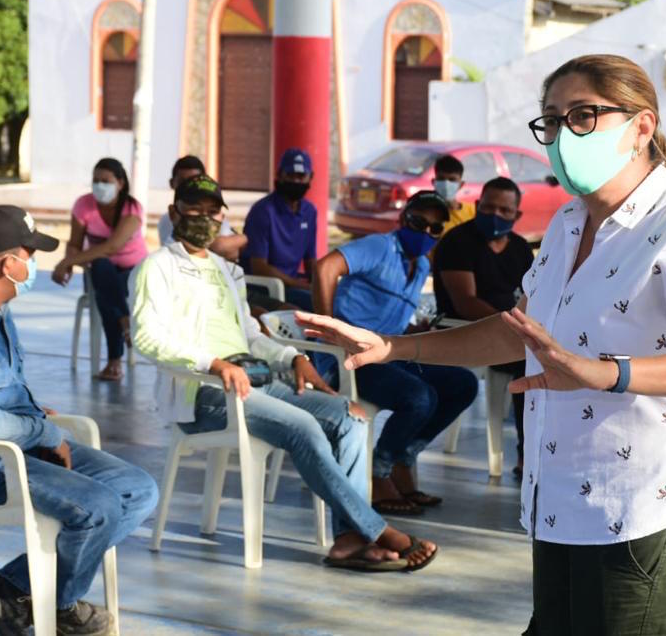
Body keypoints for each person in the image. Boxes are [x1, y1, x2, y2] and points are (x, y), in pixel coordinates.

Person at [300, 54, 666, 634]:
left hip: (642, 510)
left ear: (642, 128)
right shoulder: (568, 225)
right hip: (562, 503)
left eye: (584, 116)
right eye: (552, 120)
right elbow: (512, 331)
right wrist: (390, 347)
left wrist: (604, 372)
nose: (565, 135)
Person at [130, 174, 437, 572]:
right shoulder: (156, 268)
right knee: (304, 428)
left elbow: (251, 336)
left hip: (255, 380)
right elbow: (147, 338)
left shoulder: (226, 271)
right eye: (193, 211)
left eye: (212, 212)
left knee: (351, 417)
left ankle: (347, 539)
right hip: (204, 392)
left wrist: (292, 357)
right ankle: (377, 531)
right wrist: (214, 363)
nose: (203, 219)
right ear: (174, 213)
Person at [0, 205, 158, 636]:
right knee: (98, 506)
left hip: (13, 448)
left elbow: (2, 394)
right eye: (30, 255)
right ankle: (55, 606)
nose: (35, 264)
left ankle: (16, 587)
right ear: (7, 264)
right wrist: (43, 431)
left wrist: (34, 417)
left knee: (137, 490)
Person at [313, 191, 479, 515]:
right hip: (349, 359)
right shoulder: (379, 246)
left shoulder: (419, 268)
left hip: (387, 354)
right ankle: (378, 471)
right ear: (403, 220)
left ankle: (403, 456)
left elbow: (392, 321)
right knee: (419, 397)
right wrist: (330, 329)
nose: (425, 232)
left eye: (435, 228)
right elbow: (325, 268)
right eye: (419, 222)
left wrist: (417, 333)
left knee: (463, 384)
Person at [432, 176, 534, 479]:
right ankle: (526, 454)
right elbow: (465, 302)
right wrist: (513, 330)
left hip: (513, 331)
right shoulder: (457, 242)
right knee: (530, 362)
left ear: (517, 216)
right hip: (466, 330)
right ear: (477, 206)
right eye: (489, 207)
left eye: (505, 210)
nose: (495, 215)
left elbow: (533, 297)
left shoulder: (519, 249)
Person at [52, 158, 149, 381]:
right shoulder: (83, 205)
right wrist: (69, 261)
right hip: (100, 273)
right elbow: (75, 243)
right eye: (95, 180)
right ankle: (126, 322)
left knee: (105, 292)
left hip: (133, 275)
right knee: (102, 270)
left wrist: (67, 262)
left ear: (121, 183)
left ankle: (114, 361)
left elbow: (112, 246)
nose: (99, 185)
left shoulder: (132, 209)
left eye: (105, 181)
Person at [241, 148, 317, 311]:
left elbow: (311, 261)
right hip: (264, 287)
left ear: (310, 178)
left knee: (339, 300)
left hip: (293, 284)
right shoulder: (262, 211)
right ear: (279, 175)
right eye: (290, 175)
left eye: (301, 176)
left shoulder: (310, 212)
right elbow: (259, 267)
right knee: (316, 307)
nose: (296, 182)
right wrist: (299, 285)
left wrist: (319, 285)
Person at [157, 155, 246, 261]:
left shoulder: (214, 218)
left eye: (197, 180)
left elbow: (230, 249)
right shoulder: (166, 222)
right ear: (173, 214)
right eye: (194, 210)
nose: (191, 185)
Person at [431, 154, 475, 237]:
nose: (446, 184)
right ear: (433, 182)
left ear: (461, 185)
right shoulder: (424, 211)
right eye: (441, 179)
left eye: (452, 180)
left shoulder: (472, 212)